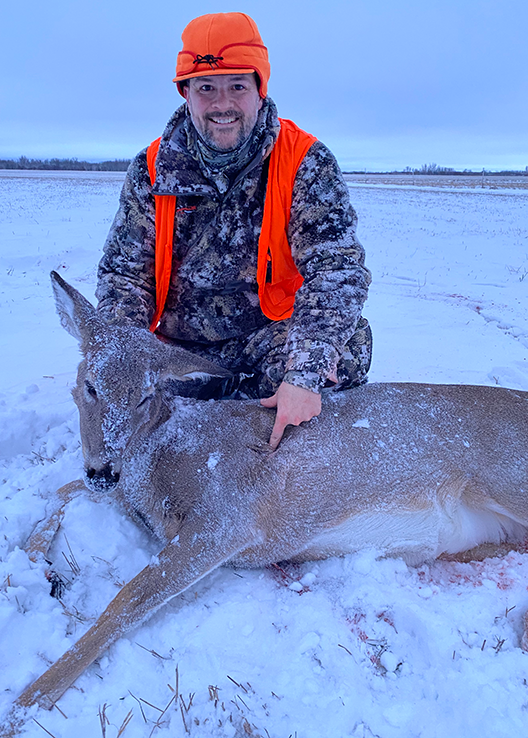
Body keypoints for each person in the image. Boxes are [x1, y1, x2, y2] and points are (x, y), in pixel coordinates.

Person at [96, 12, 372, 450]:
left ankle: (260, 408)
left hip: (267, 337)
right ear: (186, 93)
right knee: (112, 376)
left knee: (349, 348)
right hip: (179, 350)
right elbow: (124, 275)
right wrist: (125, 356)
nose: (222, 103)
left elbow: (337, 269)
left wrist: (302, 374)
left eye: (237, 86)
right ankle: (206, 412)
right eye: (206, 87)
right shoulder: (152, 169)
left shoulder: (304, 162)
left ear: (260, 90)